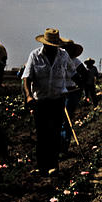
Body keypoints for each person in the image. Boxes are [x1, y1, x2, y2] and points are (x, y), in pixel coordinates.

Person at [22, 27, 76, 175]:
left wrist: (83, 83)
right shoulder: (34, 56)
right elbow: (26, 77)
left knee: (54, 133)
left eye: (55, 47)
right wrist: (28, 95)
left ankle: (53, 166)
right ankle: (41, 166)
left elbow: (73, 72)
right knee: (41, 134)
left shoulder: (64, 55)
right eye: (50, 46)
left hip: (58, 100)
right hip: (40, 101)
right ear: (44, 44)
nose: (53, 49)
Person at [60, 39, 87, 153]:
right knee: (58, 120)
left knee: (66, 121)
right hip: (58, 93)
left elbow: (84, 74)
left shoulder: (75, 62)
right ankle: (58, 146)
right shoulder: (58, 59)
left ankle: (63, 147)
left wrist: (81, 86)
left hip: (70, 92)